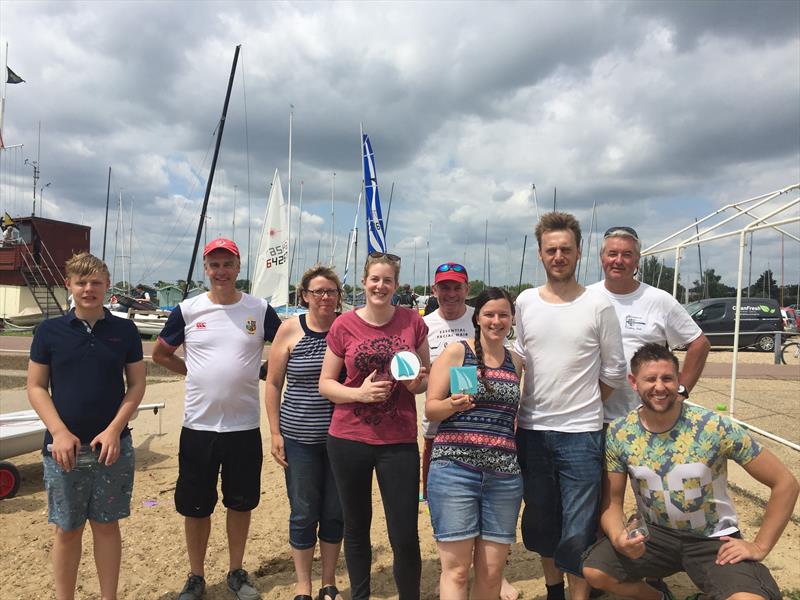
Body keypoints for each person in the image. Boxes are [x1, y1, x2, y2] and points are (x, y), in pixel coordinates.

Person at [583, 343, 799, 600]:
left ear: (678, 381)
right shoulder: (620, 433)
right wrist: (619, 537)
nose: (659, 387)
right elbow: (612, 502)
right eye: (650, 379)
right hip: (656, 535)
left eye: (667, 378)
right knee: (595, 571)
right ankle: (659, 597)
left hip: (712, 539)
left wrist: (760, 546)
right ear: (633, 382)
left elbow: (785, 482)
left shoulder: (713, 426)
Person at [152, 238, 281, 600]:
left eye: (227, 264)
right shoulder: (188, 309)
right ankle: (195, 576)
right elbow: (160, 353)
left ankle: (236, 571)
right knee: (196, 506)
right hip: (198, 426)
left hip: (243, 427)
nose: (221, 271)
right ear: (205, 270)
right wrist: (192, 371)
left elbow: (285, 345)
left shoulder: (259, 308)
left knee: (240, 503)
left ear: (239, 267)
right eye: (214, 265)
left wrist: (265, 374)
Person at [513, 212, 627, 600]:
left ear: (579, 253)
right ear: (540, 254)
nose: (558, 256)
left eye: (565, 249)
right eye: (551, 250)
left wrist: (584, 404)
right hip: (532, 430)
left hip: (582, 434)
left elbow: (614, 370)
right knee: (543, 521)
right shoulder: (525, 302)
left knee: (578, 525)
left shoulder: (598, 305)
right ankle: (553, 590)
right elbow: (518, 356)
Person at [27, 252, 146, 600]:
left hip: (113, 446)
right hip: (63, 450)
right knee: (67, 529)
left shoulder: (124, 330)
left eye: (96, 282)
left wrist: (114, 429)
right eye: (81, 282)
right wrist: (59, 432)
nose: (88, 289)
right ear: (69, 286)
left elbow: (136, 385)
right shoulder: (49, 331)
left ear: (107, 286)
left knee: (107, 527)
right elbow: (36, 386)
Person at [318, 251, 430, 600]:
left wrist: (416, 385)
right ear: (364, 282)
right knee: (356, 527)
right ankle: (360, 595)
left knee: (404, 533)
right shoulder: (344, 325)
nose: (380, 285)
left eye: (388, 280)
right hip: (349, 437)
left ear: (396, 285)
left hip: (398, 440)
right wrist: (359, 393)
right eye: (374, 279)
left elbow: (424, 377)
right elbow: (326, 384)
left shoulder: (413, 322)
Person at [426, 287, 524, 599]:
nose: (497, 320)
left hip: (503, 477)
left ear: (511, 319)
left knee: (492, 573)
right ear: (477, 317)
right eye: (490, 314)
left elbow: (514, 418)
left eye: (503, 314)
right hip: (456, 470)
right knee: (455, 571)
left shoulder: (516, 362)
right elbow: (431, 408)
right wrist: (453, 404)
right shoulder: (459, 352)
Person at [265, 265, 345, 600]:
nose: (325, 297)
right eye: (318, 292)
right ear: (305, 296)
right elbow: (272, 383)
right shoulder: (289, 330)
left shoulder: (347, 328)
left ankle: (328, 582)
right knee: (303, 511)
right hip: (298, 438)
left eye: (331, 291)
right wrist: (275, 433)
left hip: (342, 439)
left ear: (339, 296)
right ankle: (303, 585)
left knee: (334, 512)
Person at [588, 226, 710, 425]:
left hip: (644, 420)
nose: (618, 260)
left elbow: (700, 343)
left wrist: (682, 391)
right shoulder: (585, 297)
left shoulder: (659, 300)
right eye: (612, 254)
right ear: (602, 257)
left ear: (637, 260)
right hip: (592, 419)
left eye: (627, 254)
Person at [421, 262, 474, 500]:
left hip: (476, 426)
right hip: (436, 427)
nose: (451, 294)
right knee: (438, 500)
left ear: (467, 289)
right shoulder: (423, 325)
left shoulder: (480, 318)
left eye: (457, 287)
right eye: (444, 287)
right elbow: (419, 376)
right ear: (434, 290)